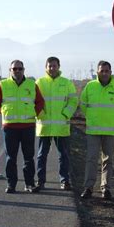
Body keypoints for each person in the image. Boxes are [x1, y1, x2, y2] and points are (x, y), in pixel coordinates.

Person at [0, 60, 44, 193]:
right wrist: (5, 113)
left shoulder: (32, 84)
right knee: (11, 158)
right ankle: (11, 184)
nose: (17, 71)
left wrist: (32, 114)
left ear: (24, 70)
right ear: (10, 70)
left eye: (20, 69)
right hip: (10, 128)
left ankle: (29, 184)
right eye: (14, 69)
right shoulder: (3, 84)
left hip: (28, 127)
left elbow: (40, 102)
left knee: (28, 157)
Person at [79, 61, 114, 200]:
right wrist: (90, 117)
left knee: (108, 160)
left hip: (111, 130)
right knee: (91, 159)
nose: (104, 73)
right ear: (97, 72)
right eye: (102, 71)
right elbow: (83, 104)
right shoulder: (90, 86)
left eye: (107, 71)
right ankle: (88, 188)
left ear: (110, 72)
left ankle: (106, 188)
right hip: (93, 130)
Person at [35, 57, 78, 191]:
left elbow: (73, 101)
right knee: (42, 155)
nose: (52, 68)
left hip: (61, 126)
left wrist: (66, 114)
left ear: (59, 67)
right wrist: (41, 115)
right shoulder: (39, 82)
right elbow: (33, 100)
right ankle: (40, 181)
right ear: (46, 67)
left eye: (54, 66)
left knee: (63, 155)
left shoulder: (66, 83)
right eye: (50, 66)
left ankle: (64, 181)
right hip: (45, 126)